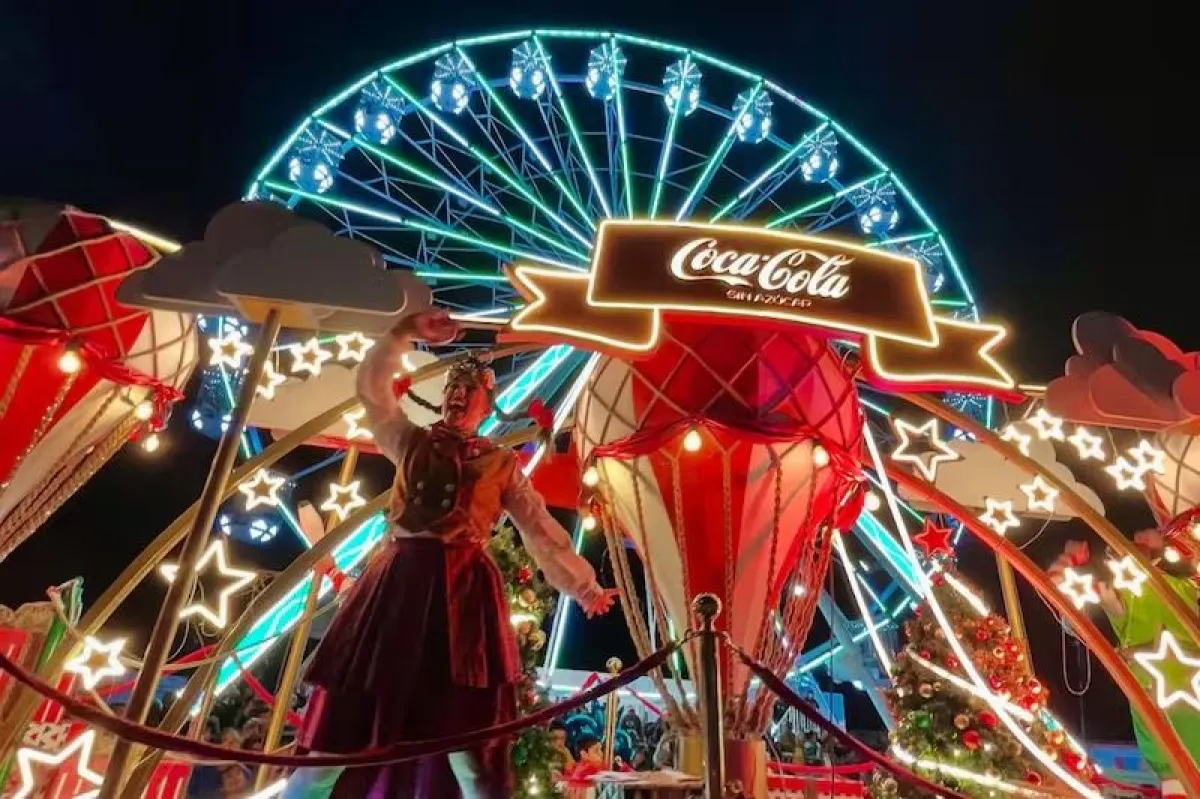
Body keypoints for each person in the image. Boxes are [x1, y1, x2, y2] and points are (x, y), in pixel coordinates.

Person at [283, 309, 616, 798]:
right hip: (395, 592)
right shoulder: (407, 439)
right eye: (452, 386)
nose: (457, 394)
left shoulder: (501, 465)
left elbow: (541, 530)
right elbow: (372, 389)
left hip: (462, 600)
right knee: (340, 738)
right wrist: (399, 334)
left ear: (488, 401)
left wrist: (582, 586)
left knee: (471, 747)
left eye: (470, 387)